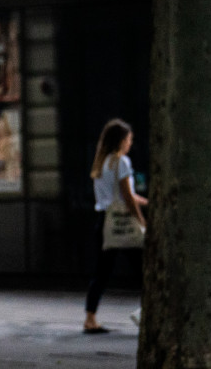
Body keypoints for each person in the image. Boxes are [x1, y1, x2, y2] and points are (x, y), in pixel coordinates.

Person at [82, 118, 147, 334]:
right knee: (144, 269)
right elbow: (127, 197)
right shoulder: (122, 162)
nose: (130, 143)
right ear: (120, 140)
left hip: (104, 221)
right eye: (128, 139)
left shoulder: (101, 162)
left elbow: (117, 196)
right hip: (124, 222)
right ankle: (148, 313)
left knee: (101, 272)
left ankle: (90, 318)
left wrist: (144, 201)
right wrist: (141, 220)